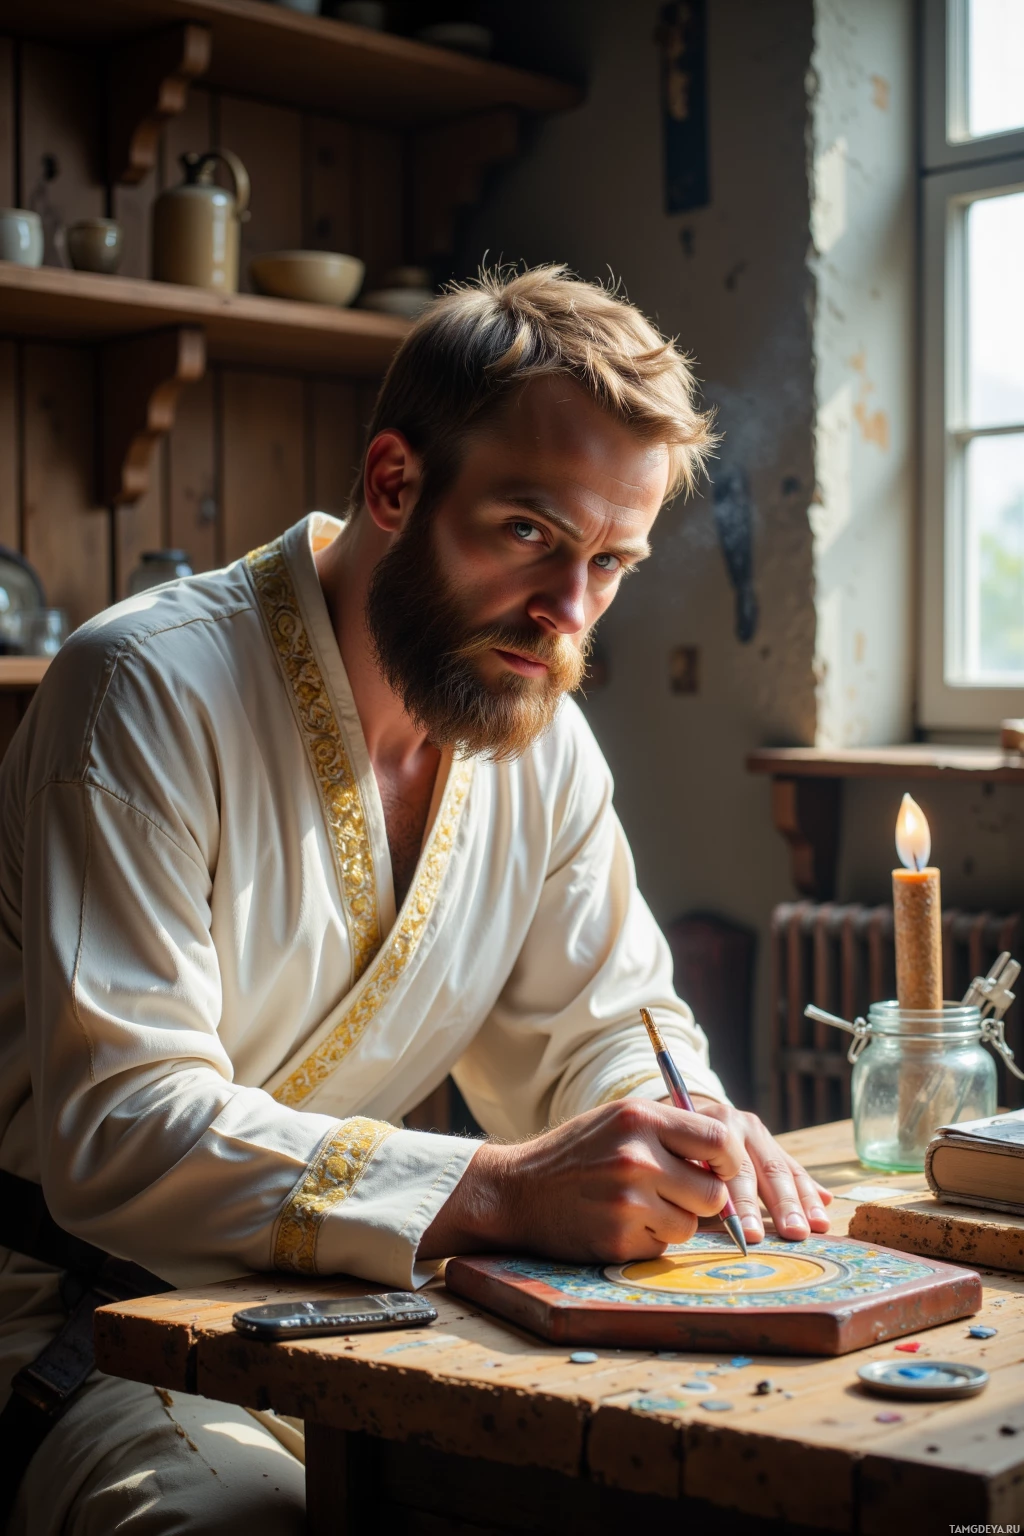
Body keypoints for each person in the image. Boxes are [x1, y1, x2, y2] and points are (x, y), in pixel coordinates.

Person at [0, 265, 831, 1533]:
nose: (568, 616)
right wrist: (500, 1187)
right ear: (394, 484)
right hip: (91, 1329)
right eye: (528, 535)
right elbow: (123, 1126)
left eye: (611, 562)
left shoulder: (539, 743)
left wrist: (687, 1136)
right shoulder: (143, 691)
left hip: (358, 1320)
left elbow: (608, 1035)